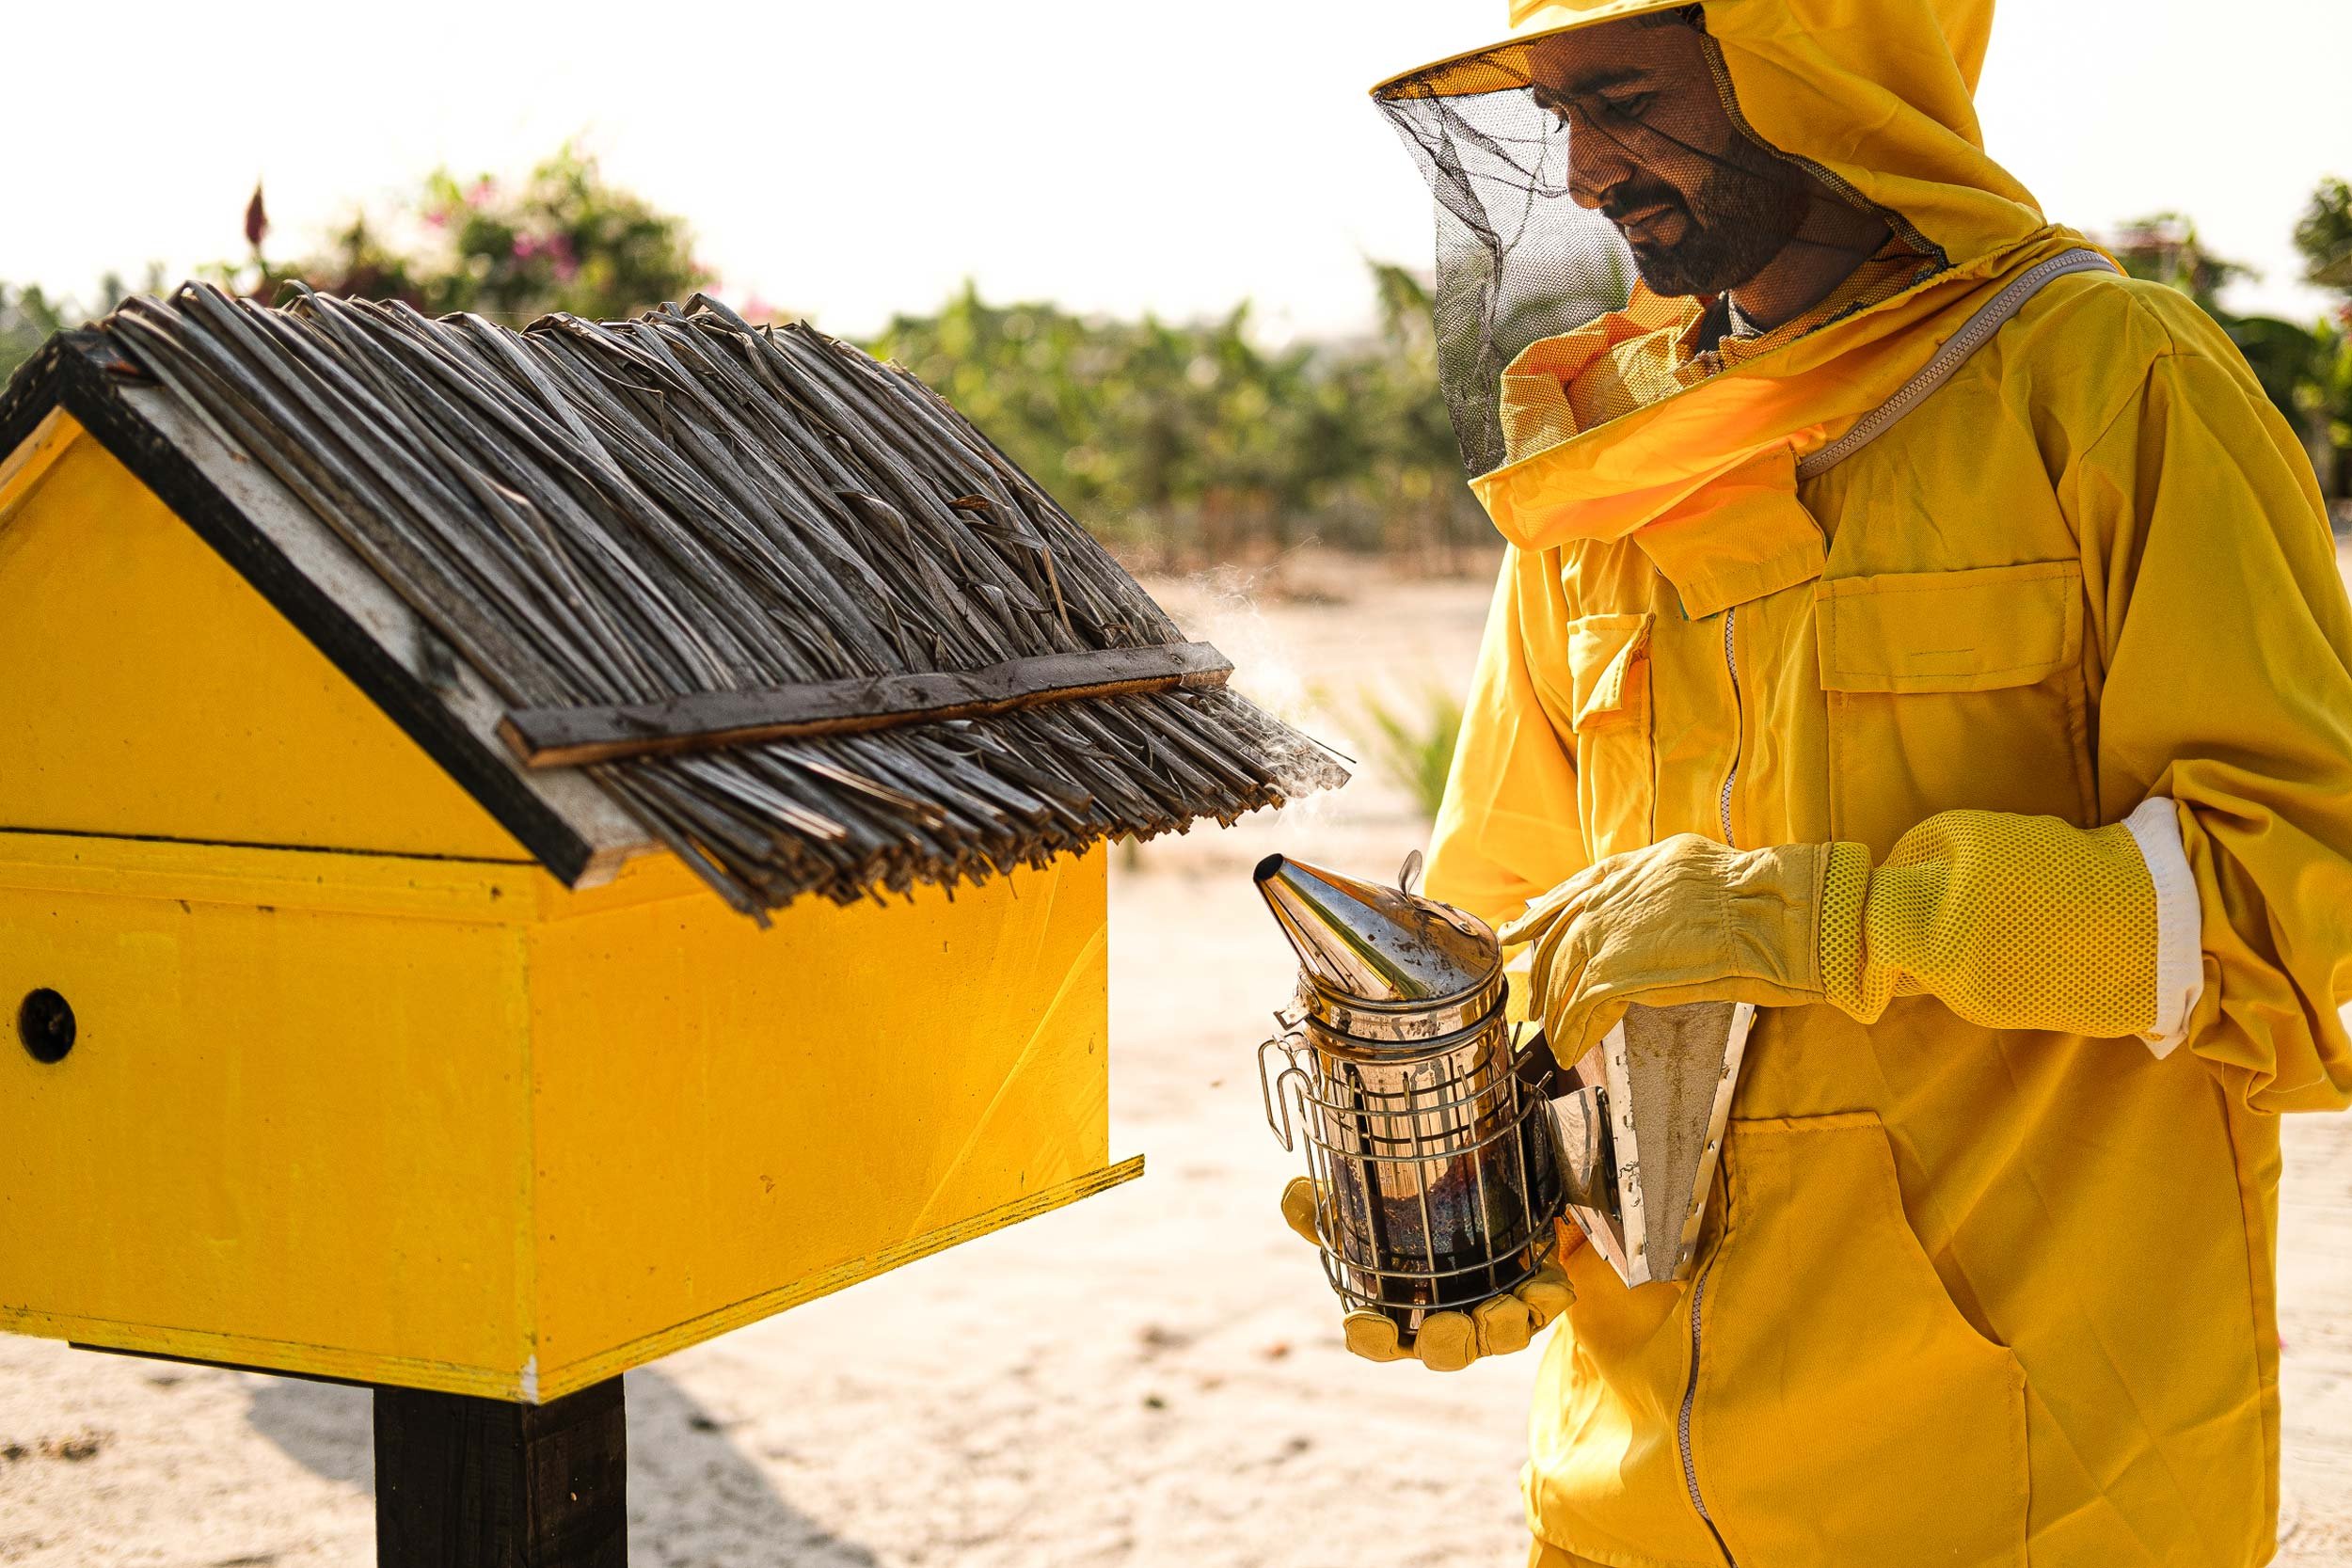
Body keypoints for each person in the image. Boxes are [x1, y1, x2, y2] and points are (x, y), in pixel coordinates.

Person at [1299, 3, 2352, 1564]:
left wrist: (1843, 919)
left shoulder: (2109, 382)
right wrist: (1457, 1173)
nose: (1583, 169)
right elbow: (1506, 930)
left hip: (2024, 1491)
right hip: (1623, 1491)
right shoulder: (1612, 458)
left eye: (1624, 101)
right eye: (1556, 113)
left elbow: (2303, 927)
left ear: (1823, 66)